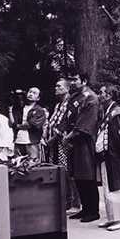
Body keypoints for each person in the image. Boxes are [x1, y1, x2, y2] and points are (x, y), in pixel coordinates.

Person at [65, 70, 100, 223]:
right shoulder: (74, 97)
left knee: (87, 176)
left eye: (75, 79)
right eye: (71, 79)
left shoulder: (91, 98)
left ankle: (93, 210)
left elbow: (87, 123)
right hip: (74, 139)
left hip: (85, 139)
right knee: (78, 176)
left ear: (84, 81)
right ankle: (85, 208)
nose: (72, 82)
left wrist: (71, 135)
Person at [96, 86, 120, 231]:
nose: (99, 95)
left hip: (116, 155)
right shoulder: (108, 111)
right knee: (108, 187)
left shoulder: (117, 113)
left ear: (109, 95)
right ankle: (111, 217)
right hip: (107, 155)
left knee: (118, 187)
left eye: (102, 93)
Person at [46, 78, 80, 212]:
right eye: (55, 85)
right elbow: (53, 122)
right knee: (61, 171)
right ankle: (65, 200)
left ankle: (75, 203)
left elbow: (65, 123)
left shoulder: (70, 103)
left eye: (59, 86)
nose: (56, 88)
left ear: (67, 88)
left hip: (65, 142)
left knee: (68, 172)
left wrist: (54, 137)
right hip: (55, 143)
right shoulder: (58, 105)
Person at [8, 87, 47, 160]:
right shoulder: (19, 108)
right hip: (18, 140)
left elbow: (31, 125)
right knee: (17, 164)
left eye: (34, 93)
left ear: (38, 98)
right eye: (30, 92)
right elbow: (11, 124)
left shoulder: (39, 110)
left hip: (31, 141)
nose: (31, 94)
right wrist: (10, 111)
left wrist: (16, 126)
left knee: (32, 164)